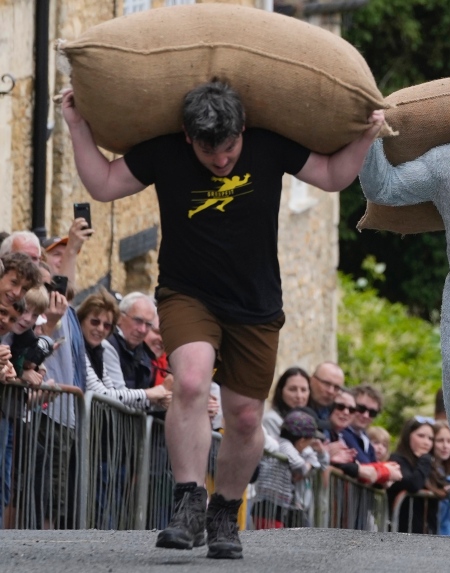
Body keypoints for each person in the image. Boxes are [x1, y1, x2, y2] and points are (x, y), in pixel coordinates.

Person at [61, 79, 384, 558]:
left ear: (244, 130)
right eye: (208, 151)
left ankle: (224, 512)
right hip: (187, 294)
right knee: (189, 381)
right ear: (189, 138)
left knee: (247, 415)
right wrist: (75, 126)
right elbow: (104, 183)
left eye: (229, 149)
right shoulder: (166, 152)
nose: (220, 161)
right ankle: (188, 501)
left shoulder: (269, 146)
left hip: (255, 305)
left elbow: (334, 174)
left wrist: (367, 136)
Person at [77, 288, 171, 412]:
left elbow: (114, 394)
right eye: (95, 322)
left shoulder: (98, 349)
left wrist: (160, 400)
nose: (100, 329)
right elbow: (102, 394)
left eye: (106, 325)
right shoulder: (92, 346)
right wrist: (150, 394)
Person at [387, 417, 439, 534]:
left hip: (426, 531)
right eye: (421, 436)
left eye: (430, 438)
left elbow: (441, 484)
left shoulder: (426, 463)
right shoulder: (397, 459)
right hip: (401, 530)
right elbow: (414, 484)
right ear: (408, 436)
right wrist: (425, 460)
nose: (426, 442)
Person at [106, 292, 157, 391]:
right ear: (120, 318)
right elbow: (118, 394)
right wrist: (152, 396)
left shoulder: (144, 352)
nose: (142, 329)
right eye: (138, 320)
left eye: (148, 324)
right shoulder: (107, 345)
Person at [261, 367, 311, 441]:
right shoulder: (271, 420)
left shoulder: (310, 420)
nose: (299, 396)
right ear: (281, 391)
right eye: (292, 389)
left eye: (303, 390)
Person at [342, 385, 383, 463]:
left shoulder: (366, 439)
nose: (365, 415)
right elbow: (364, 463)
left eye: (372, 413)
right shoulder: (340, 432)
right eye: (361, 409)